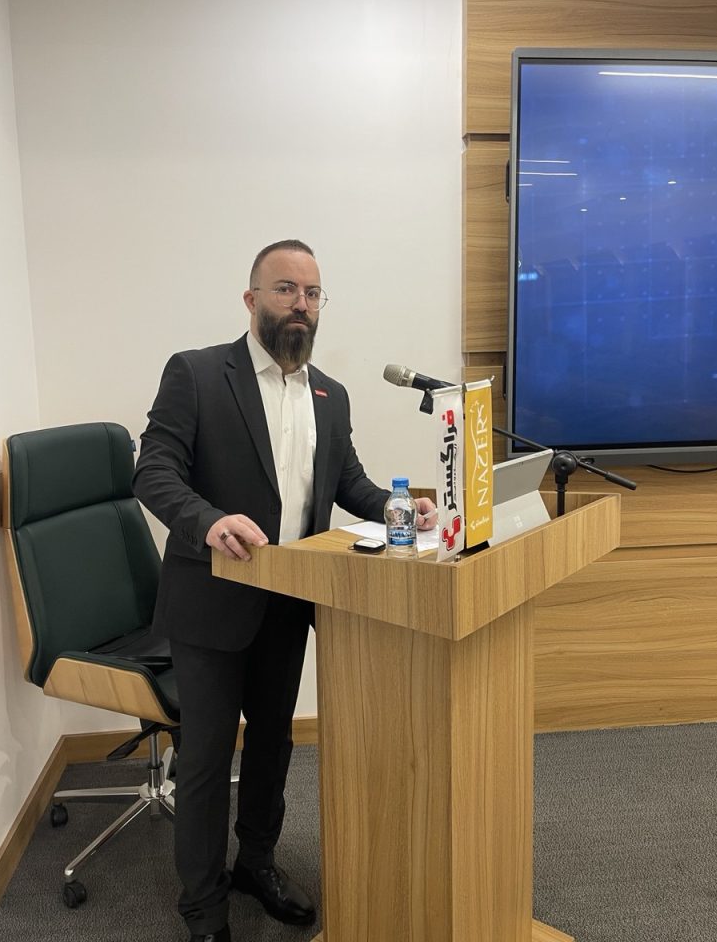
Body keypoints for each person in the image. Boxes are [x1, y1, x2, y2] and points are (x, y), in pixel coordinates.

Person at [133, 239, 437, 942]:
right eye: (286, 289)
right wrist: (207, 521)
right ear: (252, 299)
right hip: (212, 603)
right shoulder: (197, 374)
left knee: (273, 744)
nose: (301, 304)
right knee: (207, 760)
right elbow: (154, 472)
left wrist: (403, 508)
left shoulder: (330, 394)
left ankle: (256, 865)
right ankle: (203, 909)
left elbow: (348, 484)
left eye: (312, 293)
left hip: (290, 601)